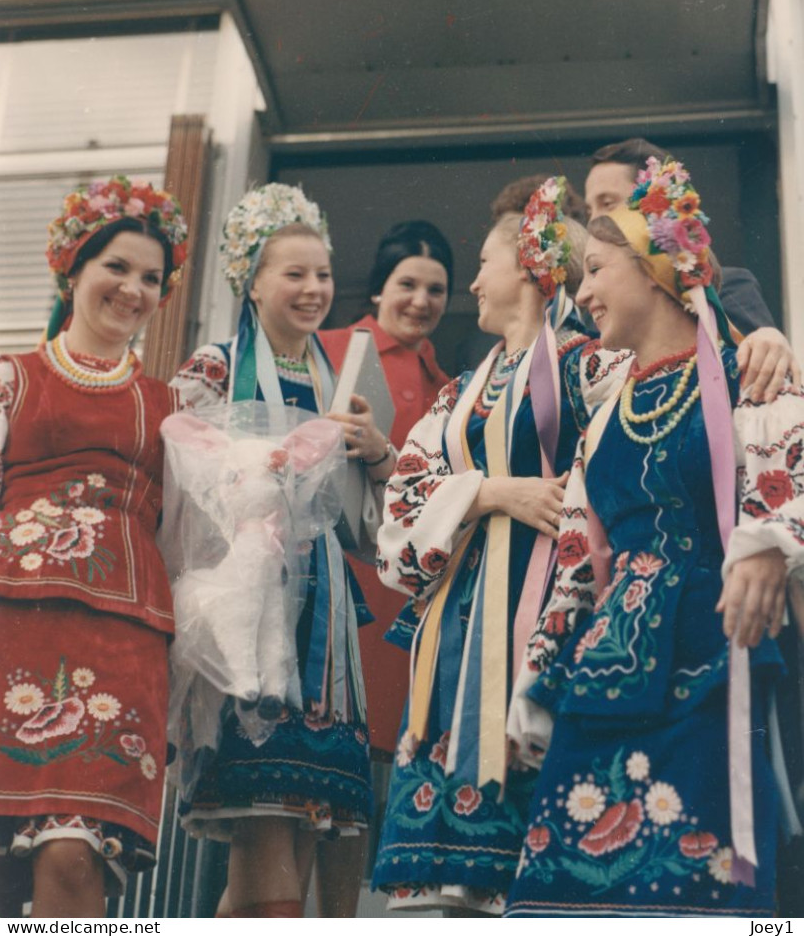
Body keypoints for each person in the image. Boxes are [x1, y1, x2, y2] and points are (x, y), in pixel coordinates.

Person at [504, 157, 803, 917]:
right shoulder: (605, 410)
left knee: (698, 883)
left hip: (714, 649)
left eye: (597, 269)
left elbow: (783, 463)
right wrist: (537, 674)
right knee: (566, 887)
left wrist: (768, 541)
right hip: (606, 669)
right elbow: (578, 557)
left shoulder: (746, 377)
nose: (583, 292)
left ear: (658, 272)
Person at [370, 177, 637, 914]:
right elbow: (399, 511)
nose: (474, 283)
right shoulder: (457, 395)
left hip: (544, 622)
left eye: (485, 264)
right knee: (438, 895)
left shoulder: (593, 365)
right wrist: (490, 492)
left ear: (526, 264)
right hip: (455, 641)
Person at [170, 183, 377, 919]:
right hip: (250, 611)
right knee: (264, 817)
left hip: (323, 614)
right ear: (250, 279)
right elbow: (182, 493)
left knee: (298, 825)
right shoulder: (214, 369)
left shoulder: (341, 378)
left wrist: (375, 455)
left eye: (322, 274)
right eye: (293, 273)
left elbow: (366, 520)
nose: (314, 288)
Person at [0, 177, 189, 917]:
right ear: (71, 269)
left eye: (150, 277)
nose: (132, 288)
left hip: (120, 645)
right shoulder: (12, 380)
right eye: (116, 267)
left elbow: (187, 539)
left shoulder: (171, 409)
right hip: (11, 628)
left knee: (75, 861)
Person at [318, 221, 452, 912]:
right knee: (340, 757)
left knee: (383, 764)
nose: (421, 299)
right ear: (378, 287)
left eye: (436, 288)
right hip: (346, 579)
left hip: (410, 597)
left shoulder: (451, 384)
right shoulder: (334, 350)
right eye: (408, 283)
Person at [585, 138, 778, 339]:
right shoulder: (595, 310)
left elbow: (759, 361)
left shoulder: (727, 289)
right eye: (588, 210)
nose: (592, 222)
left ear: (654, 203)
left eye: (607, 203)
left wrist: (768, 340)